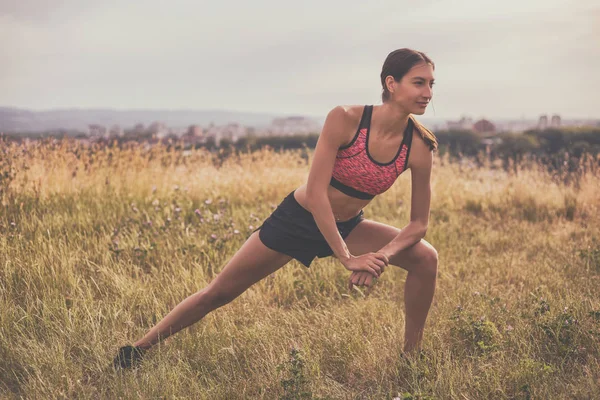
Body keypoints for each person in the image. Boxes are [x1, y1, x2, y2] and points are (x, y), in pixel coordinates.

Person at [113, 48, 439, 370]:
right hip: (298, 219)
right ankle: (138, 350)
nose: (427, 93)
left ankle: (411, 358)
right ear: (391, 83)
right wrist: (347, 257)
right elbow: (315, 193)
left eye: (431, 85)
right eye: (419, 83)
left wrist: (379, 257)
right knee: (218, 293)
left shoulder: (420, 146)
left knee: (426, 258)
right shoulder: (346, 119)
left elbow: (417, 225)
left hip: (348, 225)